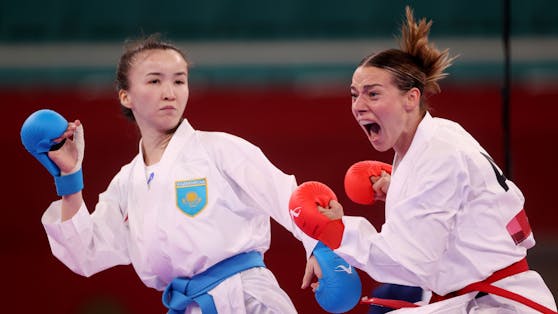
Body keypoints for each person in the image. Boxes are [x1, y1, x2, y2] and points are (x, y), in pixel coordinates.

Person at [28, 34, 320, 314]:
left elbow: (288, 197)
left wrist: (319, 248)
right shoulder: (127, 182)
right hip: (187, 305)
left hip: (245, 298)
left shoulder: (220, 149)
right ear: (126, 96)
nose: (170, 92)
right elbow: (85, 253)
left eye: (179, 80)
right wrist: (69, 177)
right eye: (155, 80)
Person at [300, 6, 557, 313]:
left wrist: (339, 232)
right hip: (479, 297)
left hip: (502, 304)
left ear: (412, 98)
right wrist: (400, 188)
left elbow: (409, 265)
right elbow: (461, 203)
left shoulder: (438, 155)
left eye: (372, 94)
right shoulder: (438, 136)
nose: (358, 105)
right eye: (354, 94)